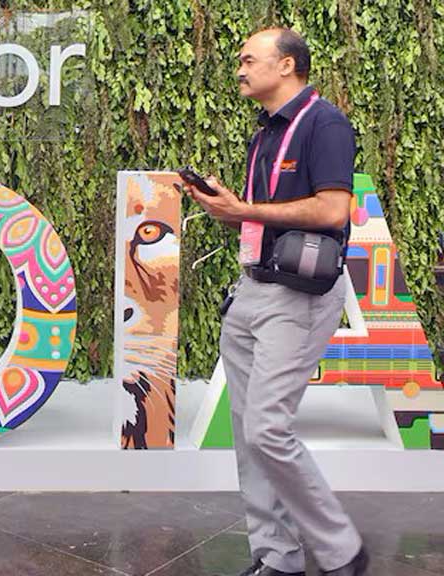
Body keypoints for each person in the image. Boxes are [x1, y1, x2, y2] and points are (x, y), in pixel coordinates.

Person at [182, 28, 369, 576]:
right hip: (251, 290)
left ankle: (342, 552)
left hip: (300, 296)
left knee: (267, 428)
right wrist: (232, 206)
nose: (239, 68)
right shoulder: (266, 133)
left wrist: (245, 211)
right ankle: (278, 558)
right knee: (248, 436)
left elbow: (333, 211)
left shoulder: (325, 124)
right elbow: (262, 211)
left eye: (248, 59)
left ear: (286, 65)